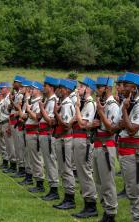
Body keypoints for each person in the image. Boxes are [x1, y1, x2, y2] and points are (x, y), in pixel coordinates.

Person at [117, 72, 139, 221]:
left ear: (135, 88)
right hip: (127, 152)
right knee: (132, 191)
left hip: (135, 153)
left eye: (126, 85)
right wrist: (125, 111)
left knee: (136, 192)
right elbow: (119, 124)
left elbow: (131, 130)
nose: (121, 88)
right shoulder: (129, 103)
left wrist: (125, 110)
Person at [92, 77, 120, 222]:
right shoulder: (101, 104)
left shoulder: (112, 105)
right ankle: (106, 209)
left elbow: (111, 129)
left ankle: (111, 212)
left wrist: (101, 113)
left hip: (106, 146)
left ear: (107, 88)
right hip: (97, 144)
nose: (97, 90)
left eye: (99, 87)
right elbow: (94, 124)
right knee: (98, 181)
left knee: (107, 181)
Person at [71, 77, 98, 218]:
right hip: (78, 139)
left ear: (87, 89)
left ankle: (91, 205)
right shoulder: (84, 103)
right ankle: (87, 203)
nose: (77, 90)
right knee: (81, 172)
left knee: (85, 172)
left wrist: (76, 108)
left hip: (84, 140)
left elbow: (82, 124)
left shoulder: (89, 103)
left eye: (80, 87)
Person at [52, 79, 77, 210]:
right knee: (63, 169)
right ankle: (67, 197)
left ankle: (70, 198)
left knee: (66, 169)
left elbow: (67, 125)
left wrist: (56, 113)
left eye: (61, 88)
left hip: (64, 139)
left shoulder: (66, 104)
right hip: (61, 139)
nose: (59, 90)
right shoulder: (63, 102)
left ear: (67, 90)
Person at [39, 76, 60, 201]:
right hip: (44, 134)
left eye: (45, 86)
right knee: (47, 161)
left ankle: (54, 189)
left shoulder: (52, 100)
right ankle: (52, 187)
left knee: (50, 161)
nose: (43, 88)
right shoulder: (49, 99)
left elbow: (51, 121)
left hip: (48, 134)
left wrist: (42, 109)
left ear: (51, 88)